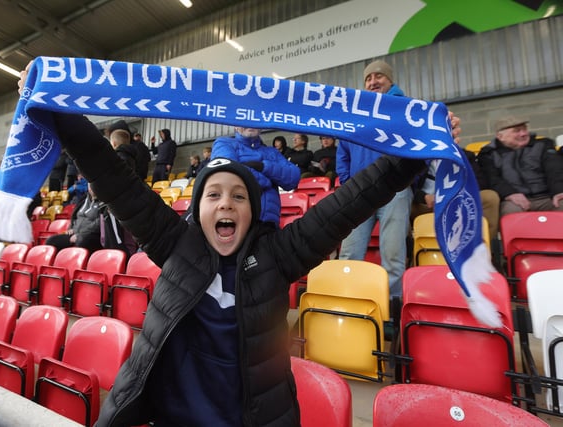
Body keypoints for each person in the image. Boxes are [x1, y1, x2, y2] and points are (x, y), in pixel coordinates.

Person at [35, 111, 426, 427]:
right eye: (213, 194)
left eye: (239, 196)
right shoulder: (175, 242)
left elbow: (349, 203)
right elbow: (113, 176)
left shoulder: (278, 255)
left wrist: (414, 155)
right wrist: (61, 115)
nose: (226, 204)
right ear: (196, 209)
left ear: (252, 213)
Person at [337, 59, 414, 303]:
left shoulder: (404, 109)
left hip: (396, 191)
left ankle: (389, 307)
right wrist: (350, 183)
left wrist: (409, 177)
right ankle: (347, 300)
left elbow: (418, 148)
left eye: (379, 76)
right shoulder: (356, 113)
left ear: (390, 80)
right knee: (349, 251)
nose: (373, 82)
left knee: (393, 255)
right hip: (360, 192)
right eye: (369, 78)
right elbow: (343, 152)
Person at [210, 127, 301, 225]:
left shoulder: (272, 152)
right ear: (235, 126)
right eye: (244, 120)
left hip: (268, 225)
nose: (249, 125)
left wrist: (264, 167)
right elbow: (228, 174)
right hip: (236, 225)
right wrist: (268, 180)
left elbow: (293, 178)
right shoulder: (224, 143)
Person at [478, 116, 563, 217]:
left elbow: (554, 169)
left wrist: (559, 191)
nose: (523, 134)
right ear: (500, 136)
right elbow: (492, 178)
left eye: (524, 129)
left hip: (547, 196)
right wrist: (509, 194)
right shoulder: (488, 154)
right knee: (511, 212)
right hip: (514, 200)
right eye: (516, 131)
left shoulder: (543, 145)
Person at [45, 184, 104, 253]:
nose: (91, 188)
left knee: (82, 241)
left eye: (93, 186)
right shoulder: (83, 200)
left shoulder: (104, 203)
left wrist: (80, 234)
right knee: (51, 240)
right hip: (75, 233)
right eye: (89, 186)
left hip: (91, 235)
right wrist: (71, 228)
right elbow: (74, 217)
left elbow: (100, 223)